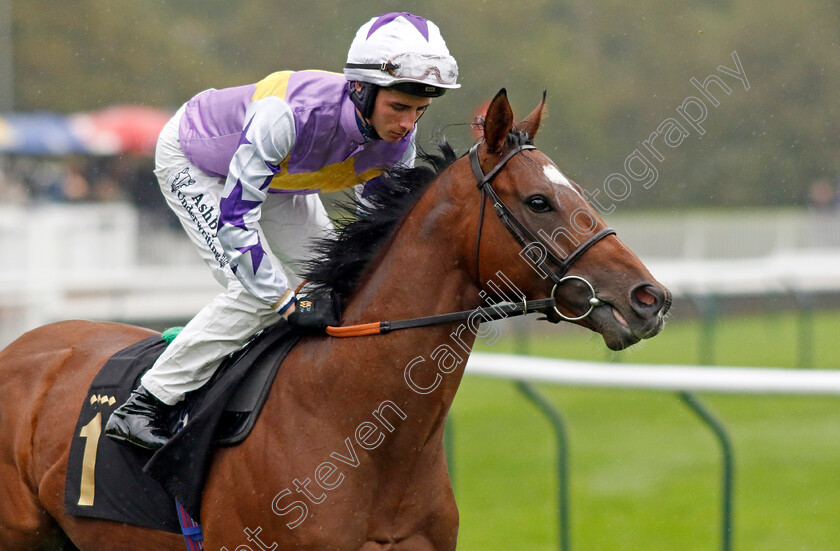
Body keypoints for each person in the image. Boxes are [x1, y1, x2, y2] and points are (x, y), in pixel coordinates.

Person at [105, 12, 460, 450]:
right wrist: (286, 302)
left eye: (420, 111)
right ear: (360, 90)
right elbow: (237, 225)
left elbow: (374, 235)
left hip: (282, 177)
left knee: (329, 278)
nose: (408, 125)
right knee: (258, 294)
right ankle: (147, 402)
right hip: (198, 162)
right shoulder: (286, 114)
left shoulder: (397, 142)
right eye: (399, 108)